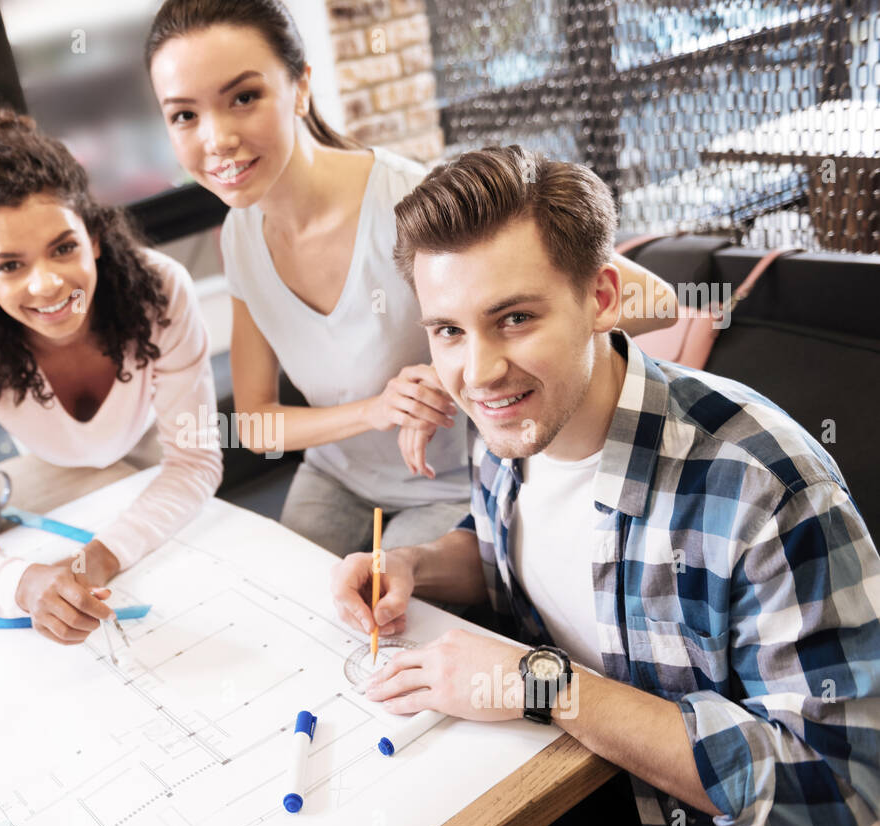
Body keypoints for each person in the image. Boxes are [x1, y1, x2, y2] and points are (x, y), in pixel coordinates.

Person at [330, 144, 880, 826]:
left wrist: (544, 687)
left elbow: (848, 799)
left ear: (602, 297)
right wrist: (414, 564)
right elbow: (511, 552)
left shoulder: (766, 487)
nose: (480, 369)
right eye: (449, 331)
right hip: (563, 790)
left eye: (517, 317)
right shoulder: (504, 419)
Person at [145, 0, 678, 557]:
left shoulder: (407, 201)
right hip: (336, 479)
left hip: (450, 489)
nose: (218, 139)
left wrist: (451, 367)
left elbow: (658, 300)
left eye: (244, 97)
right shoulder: (238, 235)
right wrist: (376, 410)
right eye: (185, 115)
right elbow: (255, 424)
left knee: (382, 615)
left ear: (301, 87)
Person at [0, 107, 222, 644]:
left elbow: (194, 461)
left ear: (96, 237)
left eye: (64, 248)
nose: (47, 286)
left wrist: (95, 562)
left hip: (148, 444)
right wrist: (23, 585)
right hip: (54, 471)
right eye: (10, 265)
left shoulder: (163, 290)